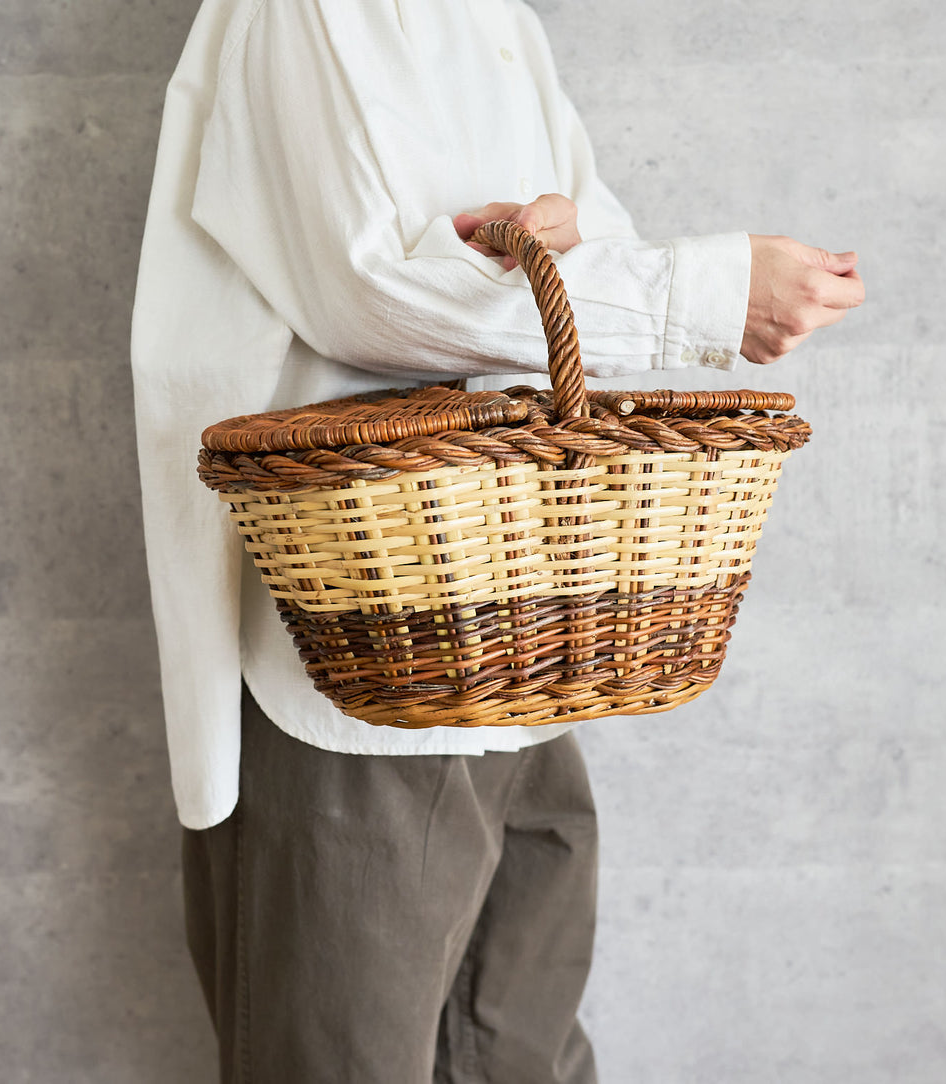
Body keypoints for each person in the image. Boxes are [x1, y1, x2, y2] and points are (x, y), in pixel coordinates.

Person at [130, 1, 863, 1080]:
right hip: (346, 662)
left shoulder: (495, 17)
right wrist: (705, 289)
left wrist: (561, 242)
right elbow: (366, 294)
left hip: (507, 647)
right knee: (342, 1056)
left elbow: (583, 262)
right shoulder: (311, 14)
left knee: (517, 1050)